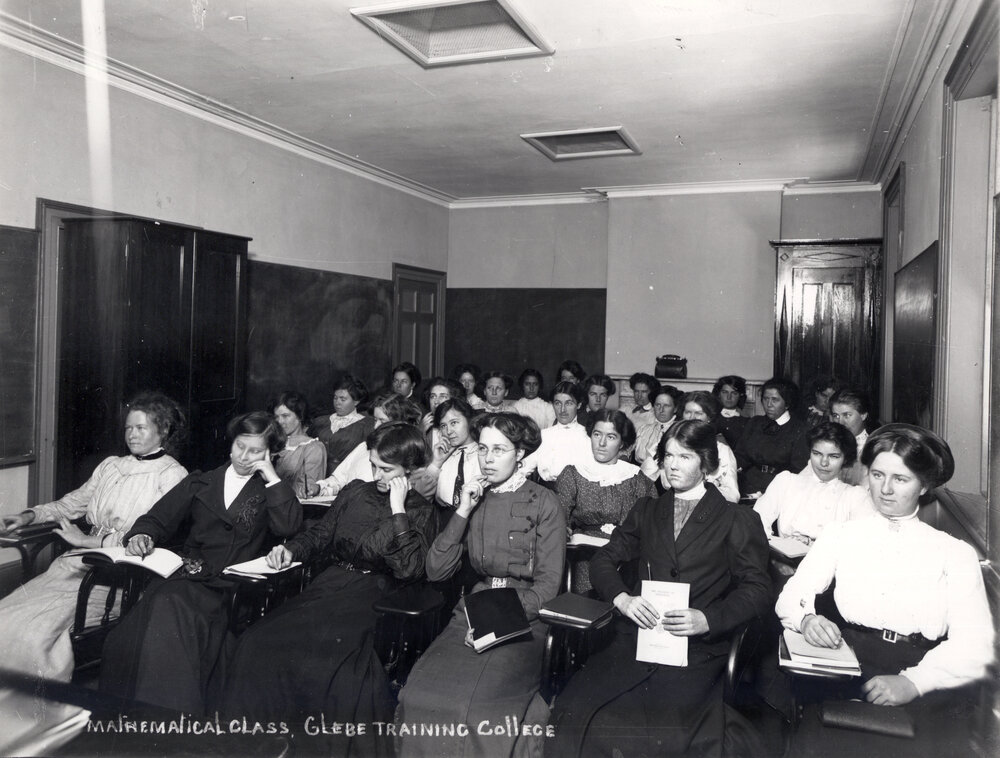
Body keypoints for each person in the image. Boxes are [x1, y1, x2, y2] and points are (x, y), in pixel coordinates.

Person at [548, 420, 772, 756]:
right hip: (637, 640)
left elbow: (758, 589)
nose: (673, 465)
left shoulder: (736, 518)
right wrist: (623, 599)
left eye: (685, 456)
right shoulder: (647, 509)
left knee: (660, 734)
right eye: (668, 455)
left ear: (707, 464)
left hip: (696, 650)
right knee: (574, 714)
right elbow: (603, 560)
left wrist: (709, 619)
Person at [775, 424, 994, 758]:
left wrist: (914, 682)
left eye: (901, 479)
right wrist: (807, 619)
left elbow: (974, 644)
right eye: (877, 475)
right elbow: (791, 596)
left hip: (923, 669)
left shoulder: (954, 553)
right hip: (848, 662)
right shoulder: (841, 534)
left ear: (924, 485)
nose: (885, 489)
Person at [220, 423, 437, 753]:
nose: (377, 475)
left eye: (387, 469)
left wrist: (398, 509)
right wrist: (291, 550)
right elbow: (320, 535)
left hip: (375, 594)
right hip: (330, 584)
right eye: (374, 465)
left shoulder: (420, 510)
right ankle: (253, 745)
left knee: (332, 665)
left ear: (408, 468)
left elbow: (409, 570)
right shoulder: (355, 492)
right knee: (256, 641)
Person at [99, 411, 302, 714]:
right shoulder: (201, 481)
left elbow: (289, 527)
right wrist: (143, 534)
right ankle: (140, 716)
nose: (244, 456)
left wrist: (271, 476)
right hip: (187, 576)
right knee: (129, 636)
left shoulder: (270, 490)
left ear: (270, 454)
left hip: (232, 587)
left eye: (255, 451)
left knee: (169, 611)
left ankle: (165, 718)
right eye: (239, 446)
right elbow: (157, 518)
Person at [396, 413, 565, 758]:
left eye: (499, 450)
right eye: (483, 449)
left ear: (520, 453)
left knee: (475, 709)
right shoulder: (474, 496)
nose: (488, 459)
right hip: (471, 612)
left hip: (525, 618)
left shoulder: (545, 502)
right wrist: (463, 509)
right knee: (416, 695)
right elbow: (436, 570)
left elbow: (548, 589)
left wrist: (495, 623)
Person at [0, 392, 188, 682]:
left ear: (163, 430)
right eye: (128, 428)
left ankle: (32, 699)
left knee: (33, 633)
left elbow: (152, 537)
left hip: (121, 575)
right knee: (6, 615)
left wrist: (87, 541)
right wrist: (28, 516)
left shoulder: (172, 475)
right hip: (75, 566)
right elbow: (71, 504)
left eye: (141, 428)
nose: (132, 435)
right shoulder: (111, 465)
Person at [556, 409, 654, 591]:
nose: (601, 443)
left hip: (628, 556)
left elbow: (651, 522)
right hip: (585, 556)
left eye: (611, 437)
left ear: (622, 442)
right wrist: (565, 529)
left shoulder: (636, 478)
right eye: (597, 434)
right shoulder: (573, 473)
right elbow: (559, 517)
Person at [753, 421, 873, 544]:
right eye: (817, 454)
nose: (824, 463)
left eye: (833, 456)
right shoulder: (786, 482)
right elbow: (757, 521)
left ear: (845, 459)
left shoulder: (855, 496)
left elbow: (860, 543)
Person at [316, 392, 423, 496]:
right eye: (375, 420)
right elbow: (338, 479)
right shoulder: (364, 447)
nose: (376, 426)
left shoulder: (407, 460)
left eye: (382, 421)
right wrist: (319, 488)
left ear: (399, 424)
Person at [642, 391, 739, 503]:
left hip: (707, 506)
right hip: (670, 504)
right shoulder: (667, 444)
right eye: (688, 412)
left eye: (698, 413)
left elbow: (732, 495)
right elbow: (642, 482)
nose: (692, 417)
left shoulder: (722, 450)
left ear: (709, 417)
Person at [734, 377, 809, 498]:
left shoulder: (800, 429)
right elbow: (740, 456)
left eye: (775, 400)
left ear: (787, 403)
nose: (769, 405)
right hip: (748, 484)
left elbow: (798, 470)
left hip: (780, 489)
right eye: (765, 399)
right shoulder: (754, 423)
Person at [521, 381, 592, 483]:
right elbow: (525, 466)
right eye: (558, 403)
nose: (562, 409)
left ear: (579, 405)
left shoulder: (587, 436)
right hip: (546, 490)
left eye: (569, 403)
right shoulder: (544, 435)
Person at [311, 374, 377, 475]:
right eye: (335, 398)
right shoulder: (321, 421)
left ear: (356, 402)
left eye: (343, 399)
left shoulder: (367, 425)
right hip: (318, 474)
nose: (337, 403)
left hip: (348, 475)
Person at [270, 391, 326, 499]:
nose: (280, 421)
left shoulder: (314, 448)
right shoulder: (274, 442)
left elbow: (308, 490)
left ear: (300, 416)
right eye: (276, 417)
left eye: (285, 416)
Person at [431, 397, 482, 513]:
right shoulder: (441, 455)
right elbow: (423, 496)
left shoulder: (483, 454)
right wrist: (435, 463)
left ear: (469, 420)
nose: (448, 431)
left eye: (454, 423)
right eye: (443, 426)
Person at [829, 387, 872, 485]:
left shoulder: (872, 449)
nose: (840, 422)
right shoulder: (828, 444)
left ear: (863, 415)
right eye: (836, 416)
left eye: (847, 415)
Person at [633, 385, 682, 468]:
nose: (661, 410)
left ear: (675, 409)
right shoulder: (643, 429)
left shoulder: (679, 431)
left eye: (666, 406)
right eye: (658, 405)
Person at [712, 375, 749, 449]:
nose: (729, 397)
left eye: (734, 393)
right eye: (725, 392)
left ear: (740, 395)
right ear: (719, 394)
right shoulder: (710, 417)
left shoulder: (747, 421)